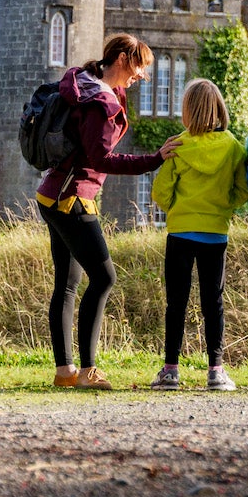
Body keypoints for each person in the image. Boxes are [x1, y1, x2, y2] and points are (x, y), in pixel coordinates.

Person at [40, 32, 174, 391]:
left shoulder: (89, 85)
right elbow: (101, 158)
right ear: (121, 60)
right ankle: (88, 370)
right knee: (104, 278)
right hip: (72, 198)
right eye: (138, 69)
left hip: (52, 193)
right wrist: (154, 159)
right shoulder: (99, 101)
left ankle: (64, 371)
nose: (140, 77)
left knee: (67, 285)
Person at [149, 78, 248, 392]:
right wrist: (223, 206)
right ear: (218, 108)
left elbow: (160, 191)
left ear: (187, 111)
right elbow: (243, 190)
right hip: (215, 232)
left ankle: (170, 370)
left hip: (180, 231)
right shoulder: (233, 146)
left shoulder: (178, 145)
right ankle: (216, 371)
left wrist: (177, 208)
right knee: (213, 303)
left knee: (176, 302)